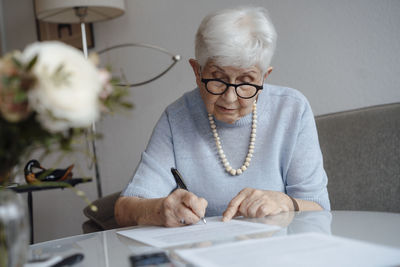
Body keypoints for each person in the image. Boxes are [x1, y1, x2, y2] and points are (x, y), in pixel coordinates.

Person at [115, 6, 330, 227]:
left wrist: (286, 203)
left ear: (264, 77)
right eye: (217, 78)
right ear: (197, 73)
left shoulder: (292, 110)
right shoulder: (177, 119)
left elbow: (320, 207)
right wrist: (159, 210)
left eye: (246, 81)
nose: (229, 97)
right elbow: (124, 209)